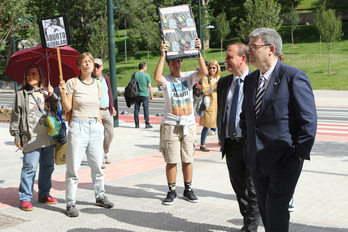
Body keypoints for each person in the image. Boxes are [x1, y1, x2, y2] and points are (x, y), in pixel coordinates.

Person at [240, 28, 317, 231]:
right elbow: (245, 118)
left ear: (270, 49)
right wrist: (247, 147)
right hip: (257, 161)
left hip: (284, 161)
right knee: (266, 211)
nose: (249, 50)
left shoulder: (293, 77)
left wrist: (298, 155)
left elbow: (308, 121)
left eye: (254, 46)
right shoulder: (250, 80)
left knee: (276, 210)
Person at [59, 52, 114, 217]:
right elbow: (68, 108)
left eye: (90, 61)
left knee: (97, 165)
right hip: (78, 126)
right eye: (84, 61)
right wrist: (62, 92)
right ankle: (70, 202)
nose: (88, 64)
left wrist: (98, 123)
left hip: (94, 127)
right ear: (79, 65)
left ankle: (100, 195)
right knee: (73, 167)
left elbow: (97, 106)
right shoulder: (72, 82)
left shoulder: (97, 84)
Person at [154, 38, 208, 205]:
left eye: (178, 61)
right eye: (173, 62)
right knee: (171, 159)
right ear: (169, 65)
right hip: (171, 124)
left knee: (187, 158)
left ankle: (188, 188)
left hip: (188, 124)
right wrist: (163, 55)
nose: (176, 64)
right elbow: (156, 77)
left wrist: (198, 52)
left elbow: (204, 72)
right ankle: (171, 190)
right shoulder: (166, 80)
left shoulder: (188, 77)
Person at [217, 43, 260, 231]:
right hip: (231, 144)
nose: (225, 61)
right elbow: (222, 113)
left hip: (251, 144)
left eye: (229, 57)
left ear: (243, 58)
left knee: (253, 189)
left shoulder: (257, 80)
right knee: (239, 188)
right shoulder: (223, 83)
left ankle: (251, 227)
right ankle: (247, 222)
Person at [9, 64, 59, 211]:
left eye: (34, 74)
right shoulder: (21, 94)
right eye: (28, 74)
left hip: (48, 137)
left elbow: (57, 111)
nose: (30, 76)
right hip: (31, 137)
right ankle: (25, 197)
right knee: (29, 167)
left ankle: (44, 194)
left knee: (48, 167)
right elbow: (15, 117)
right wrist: (16, 136)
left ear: (40, 77)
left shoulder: (45, 93)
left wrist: (52, 96)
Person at [92, 58, 117, 169]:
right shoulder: (91, 80)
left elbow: (109, 92)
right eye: (94, 67)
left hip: (106, 110)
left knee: (110, 133)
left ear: (101, 67)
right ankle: (99, 158)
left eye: (97, 67)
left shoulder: (105, 77)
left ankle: (106, 152)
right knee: (98, 136)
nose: (95, 69)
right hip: (96, 112)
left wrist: (112, 106)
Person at [199, 60, 221, 152]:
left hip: (219, 104)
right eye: (210, 67)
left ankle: (221, 144)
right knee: (206, 125)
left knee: (220, 125)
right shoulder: (206, 78)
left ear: (217, 68)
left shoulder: (220, 77)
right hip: (210, 105)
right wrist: (213, 87)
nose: (212, 69)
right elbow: (205, 91)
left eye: (214, 67)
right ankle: (202, 144)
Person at [134, 62, 153, 128]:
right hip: (145, 94)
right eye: (146, 67)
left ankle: (136, 124)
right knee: (146, 109)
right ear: (143, 67)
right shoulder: (147, 75)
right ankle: (147, 123)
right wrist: (151, 94)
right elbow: (149, 86)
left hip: (136, 94)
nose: (146, 68)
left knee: (136, 109)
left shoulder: (134, 75)